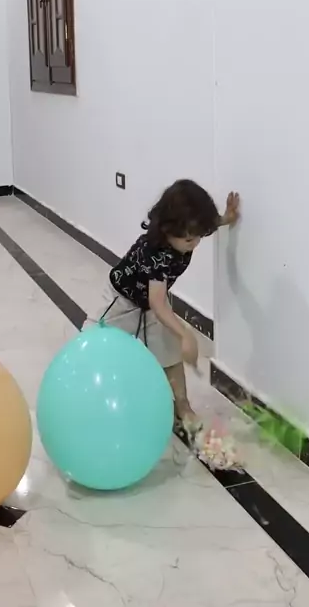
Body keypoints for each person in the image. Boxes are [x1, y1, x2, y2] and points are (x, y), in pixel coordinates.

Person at [89, 180, 240, 434]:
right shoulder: (155, 251)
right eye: (189, 238)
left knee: (169, 354)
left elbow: (207, 225)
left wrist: (227, 218)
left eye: (199, 236)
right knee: (94, 348)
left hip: (153, 304)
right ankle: (96, 402)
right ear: (168, 229)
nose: (195, 243)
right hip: (121, 301)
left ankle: (183, 405)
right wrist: (185, 333)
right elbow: (157, 302)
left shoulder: (191, 229)